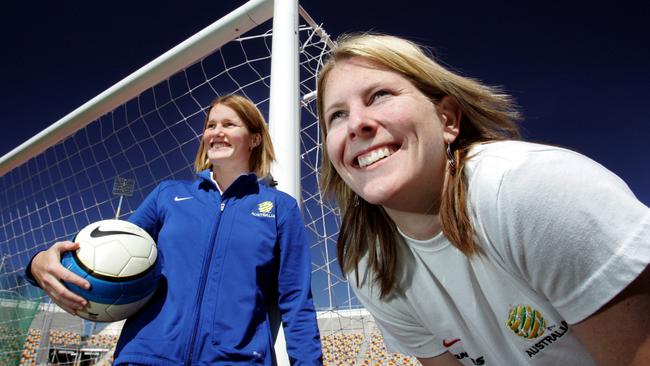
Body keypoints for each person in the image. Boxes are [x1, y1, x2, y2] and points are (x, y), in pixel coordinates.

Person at [316, 33, 649, 365]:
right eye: (337, 115)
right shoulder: (370, 265)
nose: (356, 124)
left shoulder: (532, 191)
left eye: (379, 95)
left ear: (447, 119)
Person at [26, 94, 323, 365]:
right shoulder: (167, 194)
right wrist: (38, 264)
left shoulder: (279, 207)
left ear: (255, 138)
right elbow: (108, 256)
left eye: (229, 124)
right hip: (146, 357)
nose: (215, 132)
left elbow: (296, 300)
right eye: (210, 125)